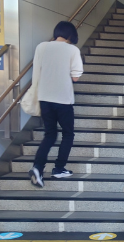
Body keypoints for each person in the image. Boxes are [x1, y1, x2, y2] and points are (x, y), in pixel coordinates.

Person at [29, 21, 84, 187]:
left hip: (44, 97)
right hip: (63, 99)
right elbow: (75, 77)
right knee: (68, 134)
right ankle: (59, 168)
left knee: (50, 134)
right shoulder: (73, 50)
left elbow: (36, 72)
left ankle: (38, 167)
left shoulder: (41, 47)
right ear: (70, 36)